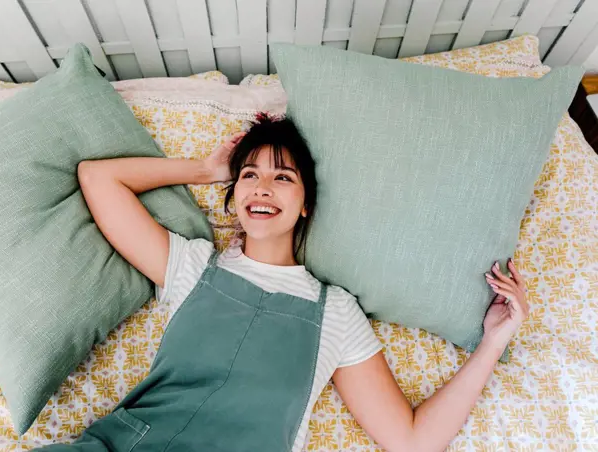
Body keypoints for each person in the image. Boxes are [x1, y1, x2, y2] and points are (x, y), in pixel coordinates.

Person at [40, 115, 529, 452]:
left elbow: (412, 439)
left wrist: (492, 343)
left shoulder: (334, 312)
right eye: (249, 175)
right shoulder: (192, 267)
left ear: (306, 204)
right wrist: (207, 170)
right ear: (233, 198)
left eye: (283, 178)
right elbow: (98, 179)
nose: (262, 187)